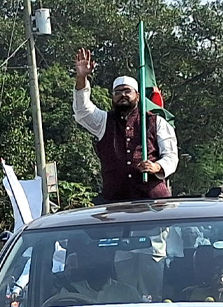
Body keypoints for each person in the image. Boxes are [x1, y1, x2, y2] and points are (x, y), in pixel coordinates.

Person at [72, 48, 178, 202]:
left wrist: (157, 167)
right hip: (116, 203)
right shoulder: (104, 121)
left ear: (138, 96)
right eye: (118, 92)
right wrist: (81, 77)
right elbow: (82, 110)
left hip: (154, 202)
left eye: (127, 91)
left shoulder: (156, 121)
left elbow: (171, 156)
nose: (122, 95)